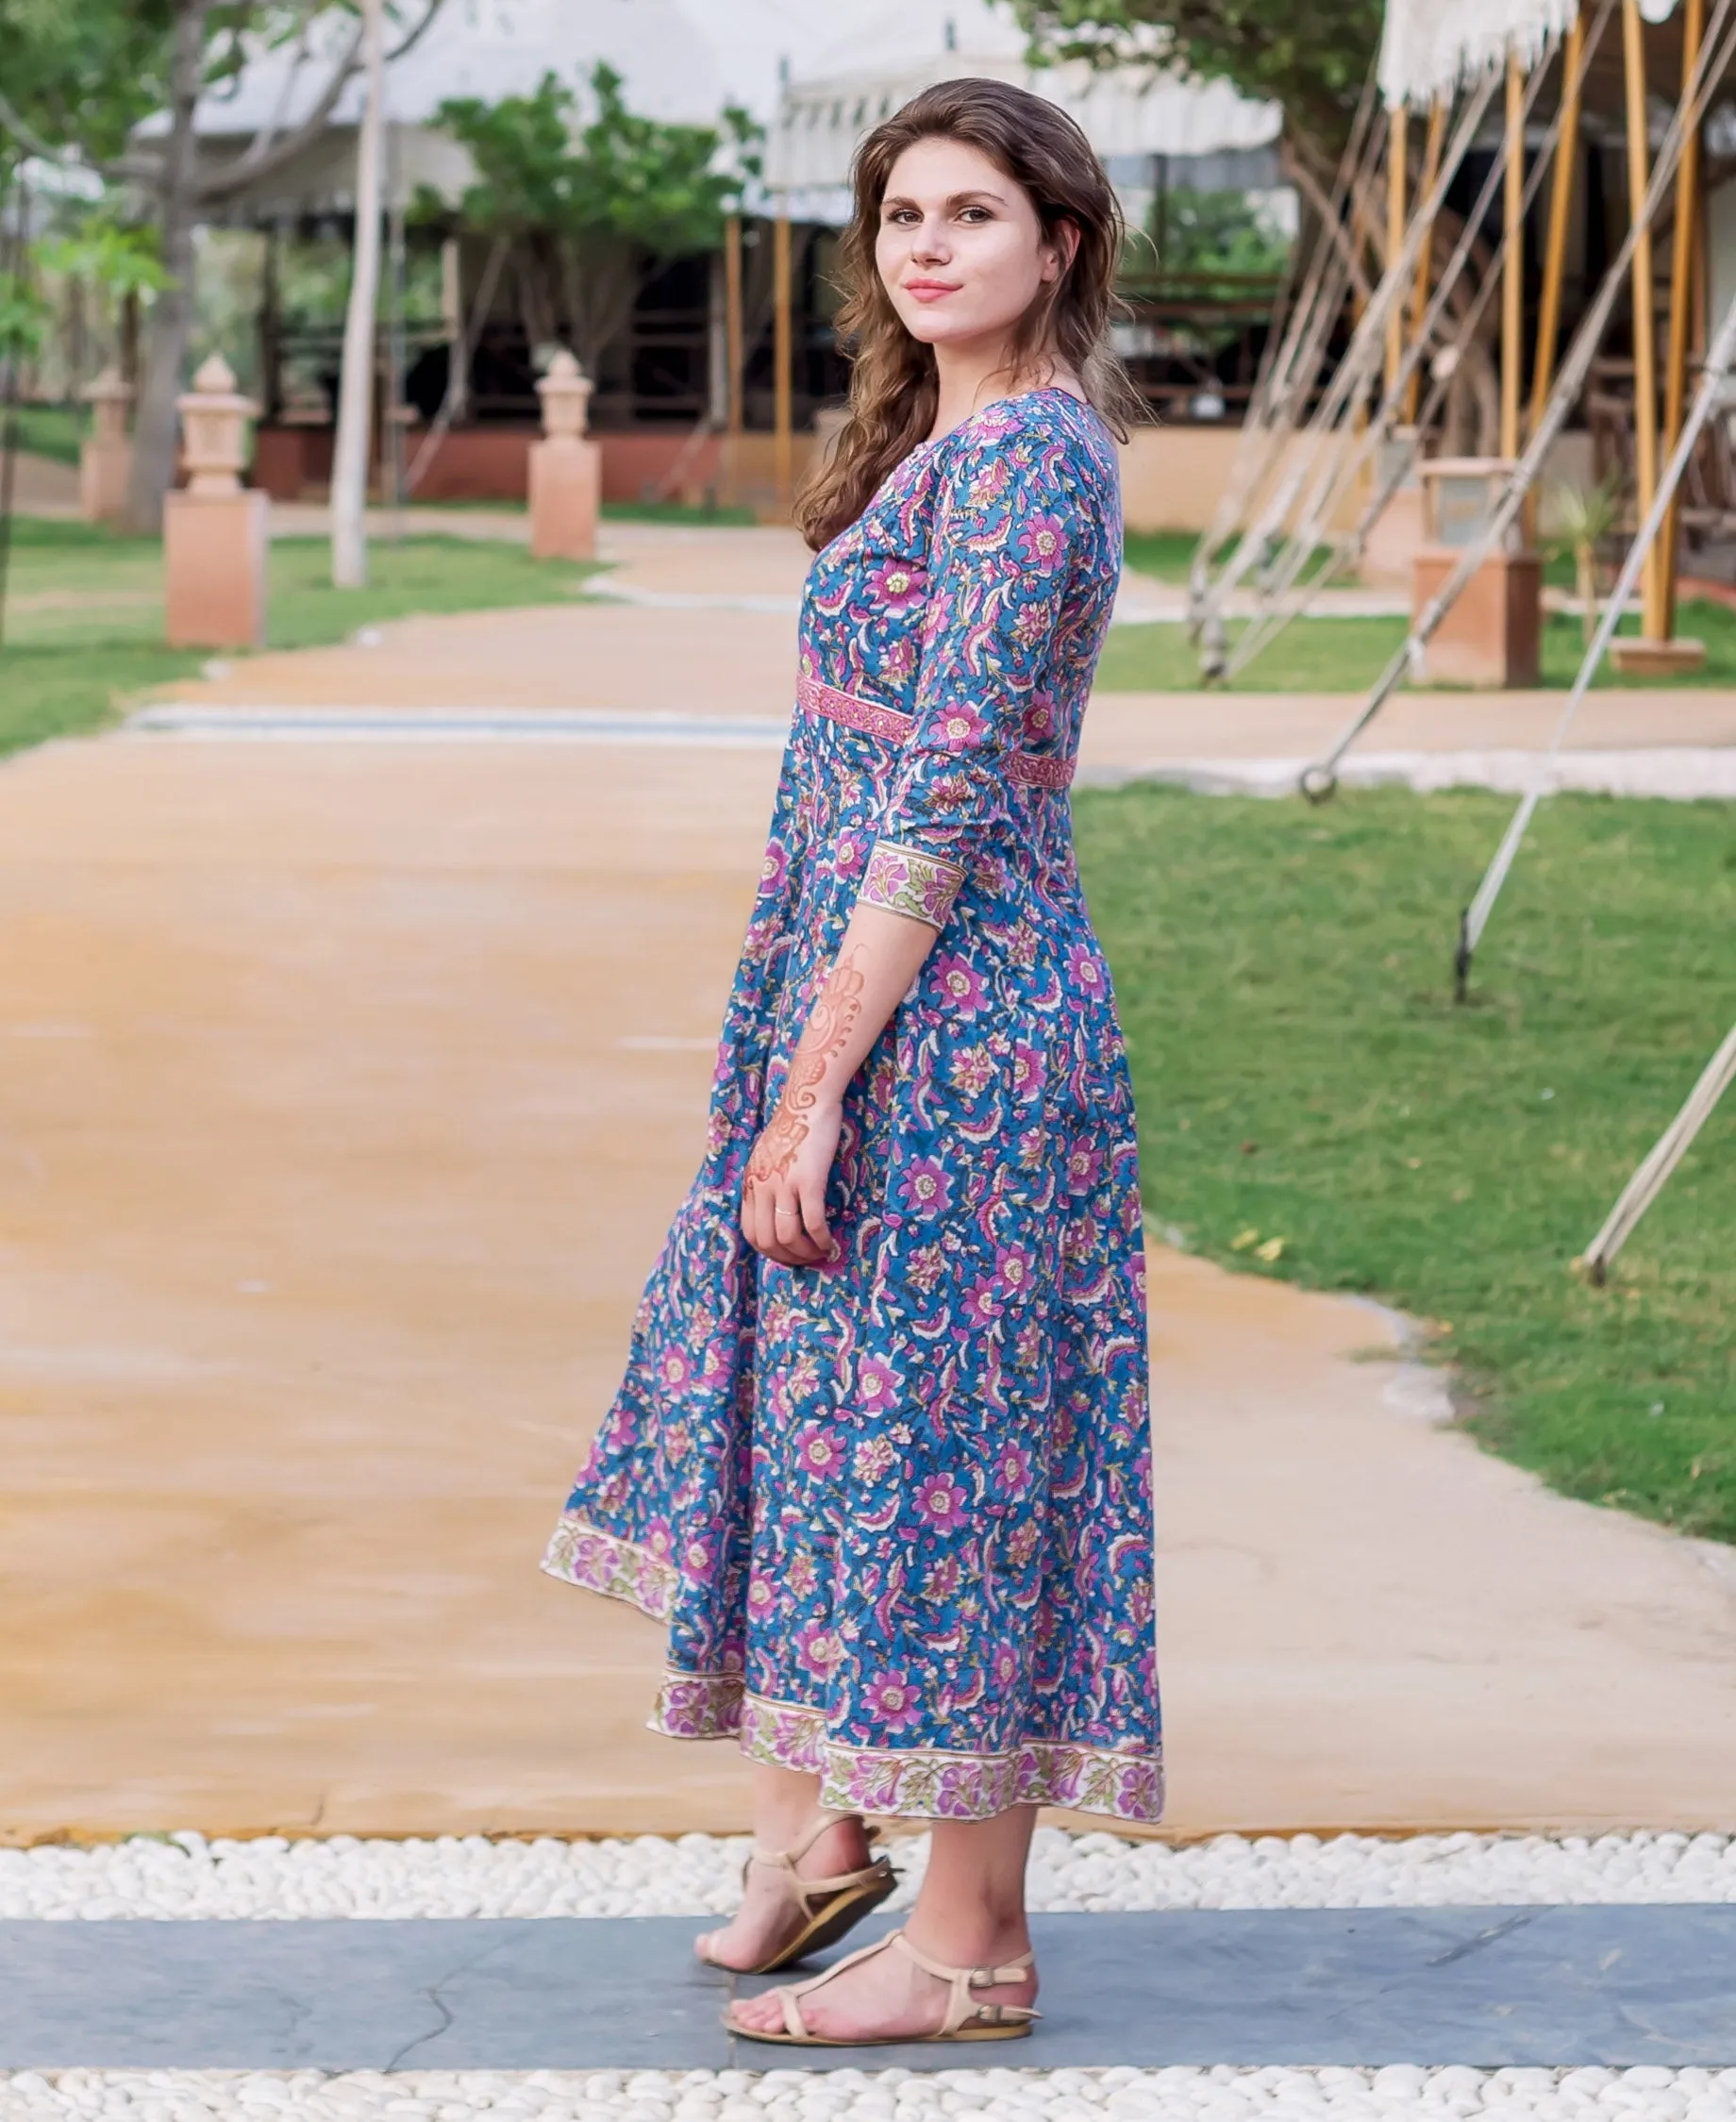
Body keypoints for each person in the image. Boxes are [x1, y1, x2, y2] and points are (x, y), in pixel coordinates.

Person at [542, 75, 1161, 2047]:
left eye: (971, 212)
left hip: (957, 1027)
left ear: (1054, 239)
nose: (926, 245)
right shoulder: (937, 445)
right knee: (831, 1416)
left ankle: (969, 1945)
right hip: (878, 997)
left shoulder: (1031, 465)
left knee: (943, 1458)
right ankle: (815, 1835)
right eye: (901, 212)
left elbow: (947, 791)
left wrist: (816, 1083)